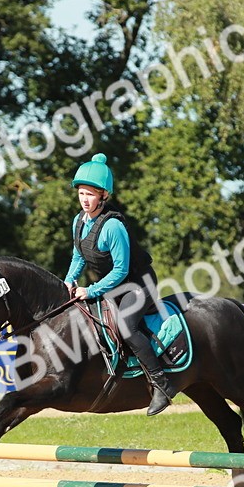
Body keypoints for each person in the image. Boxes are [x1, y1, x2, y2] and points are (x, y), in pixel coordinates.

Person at [63, 153, 177, 416]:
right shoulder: (78, 222)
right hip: (113, 285)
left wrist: (90, 290)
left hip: (138, 285)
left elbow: (121, 270)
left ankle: (161, 384)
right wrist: (69, 280)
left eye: (91, 194)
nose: (85, 199)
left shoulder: (113, 226)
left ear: (104, 196)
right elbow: (78, 255)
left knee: (125, 325)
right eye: (81, 193)